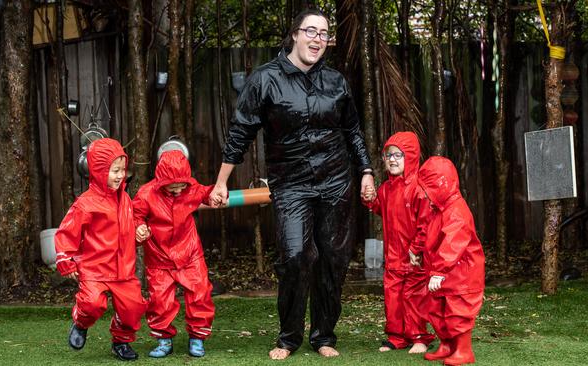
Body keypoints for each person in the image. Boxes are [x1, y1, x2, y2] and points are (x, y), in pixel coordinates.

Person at [209, 8, 375, 360]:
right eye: (311, 31)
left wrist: (366, 171)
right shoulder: (265, 79)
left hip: (336, 181)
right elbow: (241, 131)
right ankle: (288, 337)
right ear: (295, 34)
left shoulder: (336, 81)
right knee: (297, 255)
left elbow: (352, 131)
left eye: (324, 34)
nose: (317, 39)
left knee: (333, 258)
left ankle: (324, 335)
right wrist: (221, 182)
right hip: (291, 185)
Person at [54, 138, 145, 361]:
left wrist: (139, 231)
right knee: (92, 304)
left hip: (124, 270)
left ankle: (121, 341)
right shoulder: (85, 204)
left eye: (123, 170)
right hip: (95, 268)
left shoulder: (125, 199)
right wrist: (66, 260)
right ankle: (81, 322)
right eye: (114, 170)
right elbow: (67, 233)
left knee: (132, 309)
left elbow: (128, 224)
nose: (120, 175)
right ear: (99, 170)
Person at [132, 150, 215, 358]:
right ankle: (163, 339)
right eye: (173, 186)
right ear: (161, 181)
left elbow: (206, 192)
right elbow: (135, 215)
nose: (179, 190)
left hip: (189, 252)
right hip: (159, 256)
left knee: (200, 294)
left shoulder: (191, 188)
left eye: (182, 185)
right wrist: (138, 227)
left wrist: (216, 194)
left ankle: (197, 337)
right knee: (159, 300)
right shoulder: (146, 194)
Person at [362, 132, 435, 354]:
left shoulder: (419, 189)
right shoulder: (386, 188)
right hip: (393, 258)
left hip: (414, 259)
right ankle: (396, 337)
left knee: (414, 298)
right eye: (388, 155)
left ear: (411, 157)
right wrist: (370, 198)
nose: (392, 160)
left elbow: (426, 223)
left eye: (398, 155)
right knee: (392, 298)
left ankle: (419, 337)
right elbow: (378, 207)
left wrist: (417, 248)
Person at [415, 156, 485, 365]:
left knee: (458, 311)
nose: (426, 195)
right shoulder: (441, 209)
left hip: (462, 274)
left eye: (429, 189)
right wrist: (422, 255)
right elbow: (434, 238)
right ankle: (447, 345)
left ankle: (463, 350)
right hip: (445, 274)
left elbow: (454, 242)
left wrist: (438, 270)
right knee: (438, 309)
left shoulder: (457, 210)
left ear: (441, 185)